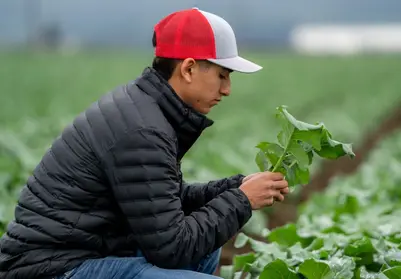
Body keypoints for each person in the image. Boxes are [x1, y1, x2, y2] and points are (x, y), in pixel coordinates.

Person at [0, 7, 290, 279]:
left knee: (205, 247)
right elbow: (173, 248)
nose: (226, 89)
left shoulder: (147, 110)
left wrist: (237, 187)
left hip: (89, 251)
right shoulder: (142, 129)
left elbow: (163, 201)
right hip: (51, 268)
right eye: (222, 75)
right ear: (188, 69)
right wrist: (242, 200)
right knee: (196, 248)